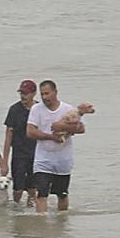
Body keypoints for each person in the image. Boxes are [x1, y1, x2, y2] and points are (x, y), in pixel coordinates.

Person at [23, 79, 94, 212]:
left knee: (62, 194)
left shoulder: (67, 109)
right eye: (42, 94)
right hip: (42, 159)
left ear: (55, 92)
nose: (44, 97)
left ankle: (61, 224)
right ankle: (42, 224)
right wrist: (50, 137)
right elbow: (30, 132)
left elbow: (81, 129)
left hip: (63, 159)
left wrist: (62, 126)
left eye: (47, 93)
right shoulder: (36, 109)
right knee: (42, 193)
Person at [3, 79, 40, 206]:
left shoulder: (39, 109)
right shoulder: (14, 109)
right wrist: (4, 161)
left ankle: (32, 214)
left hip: (36, 154)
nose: (23, 96)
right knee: (18, 188)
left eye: (26, 93)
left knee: (32, 187)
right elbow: (8, 136)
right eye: (21, 93)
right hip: (18, 153)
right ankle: (17, 210)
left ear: (34, 93)